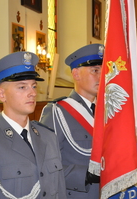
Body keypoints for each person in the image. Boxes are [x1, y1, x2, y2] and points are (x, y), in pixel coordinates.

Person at [0, 52, 67, 199]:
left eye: (33, 86)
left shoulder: (48, 136)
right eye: (22, 87)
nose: (32, 93)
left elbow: (60, 191)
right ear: (2, 94)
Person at [40, 43, 104, 199]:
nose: (101, 77)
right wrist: (85, 175)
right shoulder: (58, 111)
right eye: (95, 71)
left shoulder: (107, 112)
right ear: (76, 74)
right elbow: (44, 162)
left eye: (104, 72)